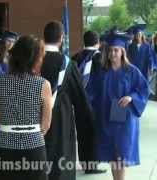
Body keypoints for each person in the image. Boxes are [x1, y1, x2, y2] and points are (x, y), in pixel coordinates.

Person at [89, 32, 149, 180]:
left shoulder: (132, 71)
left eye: (116, 50)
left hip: (125, 119)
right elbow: (91, 93)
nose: (112, 53)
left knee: (121, 156)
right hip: (106, 118)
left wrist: (131, 97)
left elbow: (143, 89)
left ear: (123, 51)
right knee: (112, 155)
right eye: (110, 50)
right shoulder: (101, 72)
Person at [0, 35, 52, 180]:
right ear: (34, 59)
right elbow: (46, 125)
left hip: (5, 147)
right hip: (34, 148)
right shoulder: (43, 84)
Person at [41, 21, 94, 180]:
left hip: (34, 119)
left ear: (44, 37)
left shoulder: (34, 60)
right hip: (60, 121)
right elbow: (80, 100)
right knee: (60, 162)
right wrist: (89, 122)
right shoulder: (68, 64)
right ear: (61, 38)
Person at [71, 30, 106, 174]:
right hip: (96, 104)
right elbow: (104, 82)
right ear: (97, 42)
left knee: (82, 133)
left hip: (79, 103)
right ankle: (92, 165)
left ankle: (85, 163)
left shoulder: (75, 57)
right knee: (94, 134)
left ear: (84, 42)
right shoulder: (101, 58)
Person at [127, 26, 157, 94]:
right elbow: (128, 57)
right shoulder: (131, 46)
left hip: (143, 68)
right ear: (135, 36)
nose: (138, 36)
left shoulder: (147, 46)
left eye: (140, 34)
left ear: (142, 35)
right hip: (134, 68)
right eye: (137, 34)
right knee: (134, 84)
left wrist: (151, 67)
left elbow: (150, 57)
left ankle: (142, 97)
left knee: (143, 83)